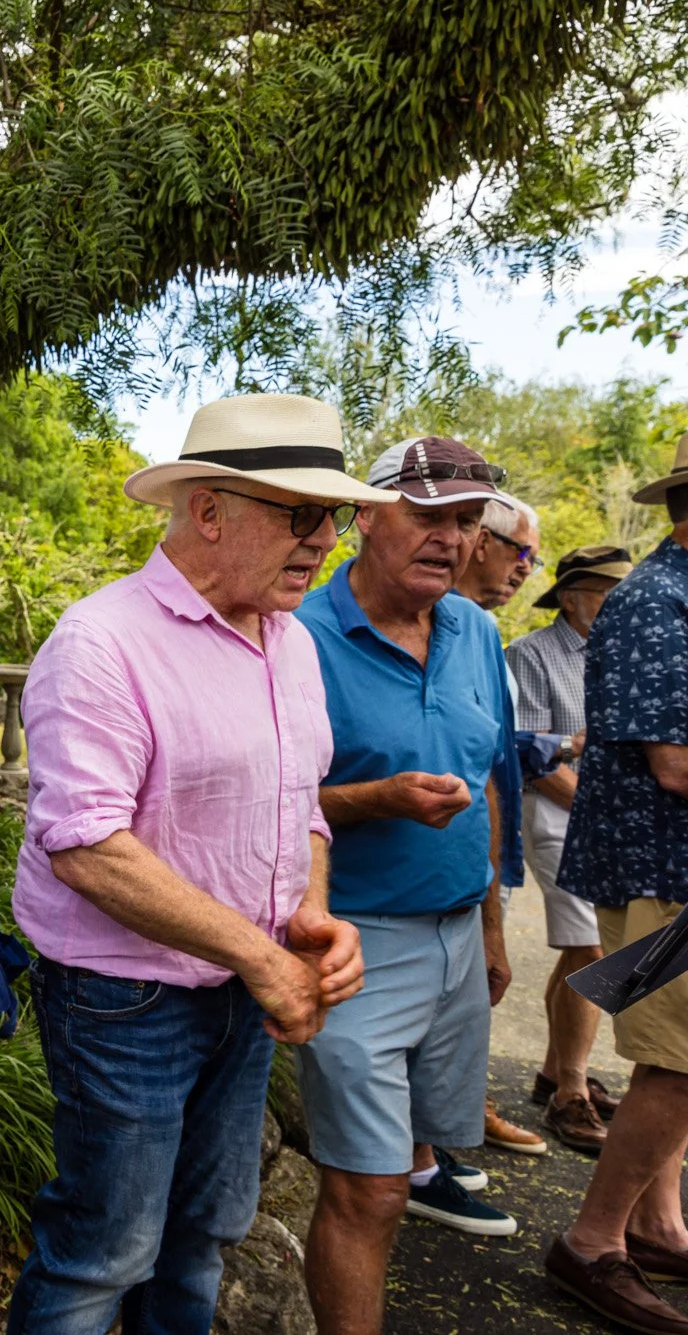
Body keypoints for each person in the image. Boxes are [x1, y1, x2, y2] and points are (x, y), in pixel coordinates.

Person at [3, 393, 372, 1334]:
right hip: (125, 1001)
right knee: (102, 1257)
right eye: (302, 514)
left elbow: (300, 807)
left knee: (202, 1236)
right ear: (208, 509)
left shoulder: (290, 641)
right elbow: (87, 846)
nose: (326, 540)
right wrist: (262, 958)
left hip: (244, 991)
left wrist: (308, 917)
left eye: (336, 515)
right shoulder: (101, 641)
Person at [295, 437, 525, 1335]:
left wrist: (491, 927)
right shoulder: (300, 635)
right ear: (364, 513)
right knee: (370, 1189)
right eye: (427, 515)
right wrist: (378, 798)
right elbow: (265, 802)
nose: (451, 539)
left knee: (423, 1168)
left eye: (466, 522)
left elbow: (490, 779)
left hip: (459, 936)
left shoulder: (477, 632)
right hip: (355, 939)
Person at [541, 436, 688, 1335]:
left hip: (671, 866)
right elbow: (674, 764)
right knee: (679, 1064)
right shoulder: (656, 604)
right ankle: (592, 1242)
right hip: (664, 867)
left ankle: (657, 1225)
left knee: (672, 1059)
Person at [509, 546, 636, 1156]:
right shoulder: (531, 654)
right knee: (593, 948)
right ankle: (571, 1092)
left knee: (584, 947)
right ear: (569, 597)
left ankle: (555, 1071)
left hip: (605, 818)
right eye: (607, 593)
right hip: (558, 814)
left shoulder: (623, 650)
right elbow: (535, 761)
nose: (617, 604)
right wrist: (604, 816)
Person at [452, 491, 552, 1157]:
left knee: (473, 992)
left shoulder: (484, 633)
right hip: (427, 864)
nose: (524, 569)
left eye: (533, 560)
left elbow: (496, 756)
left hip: (486, 851)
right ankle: (437, 1141)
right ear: (482, 543)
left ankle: (457, 1118)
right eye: (522, 552)